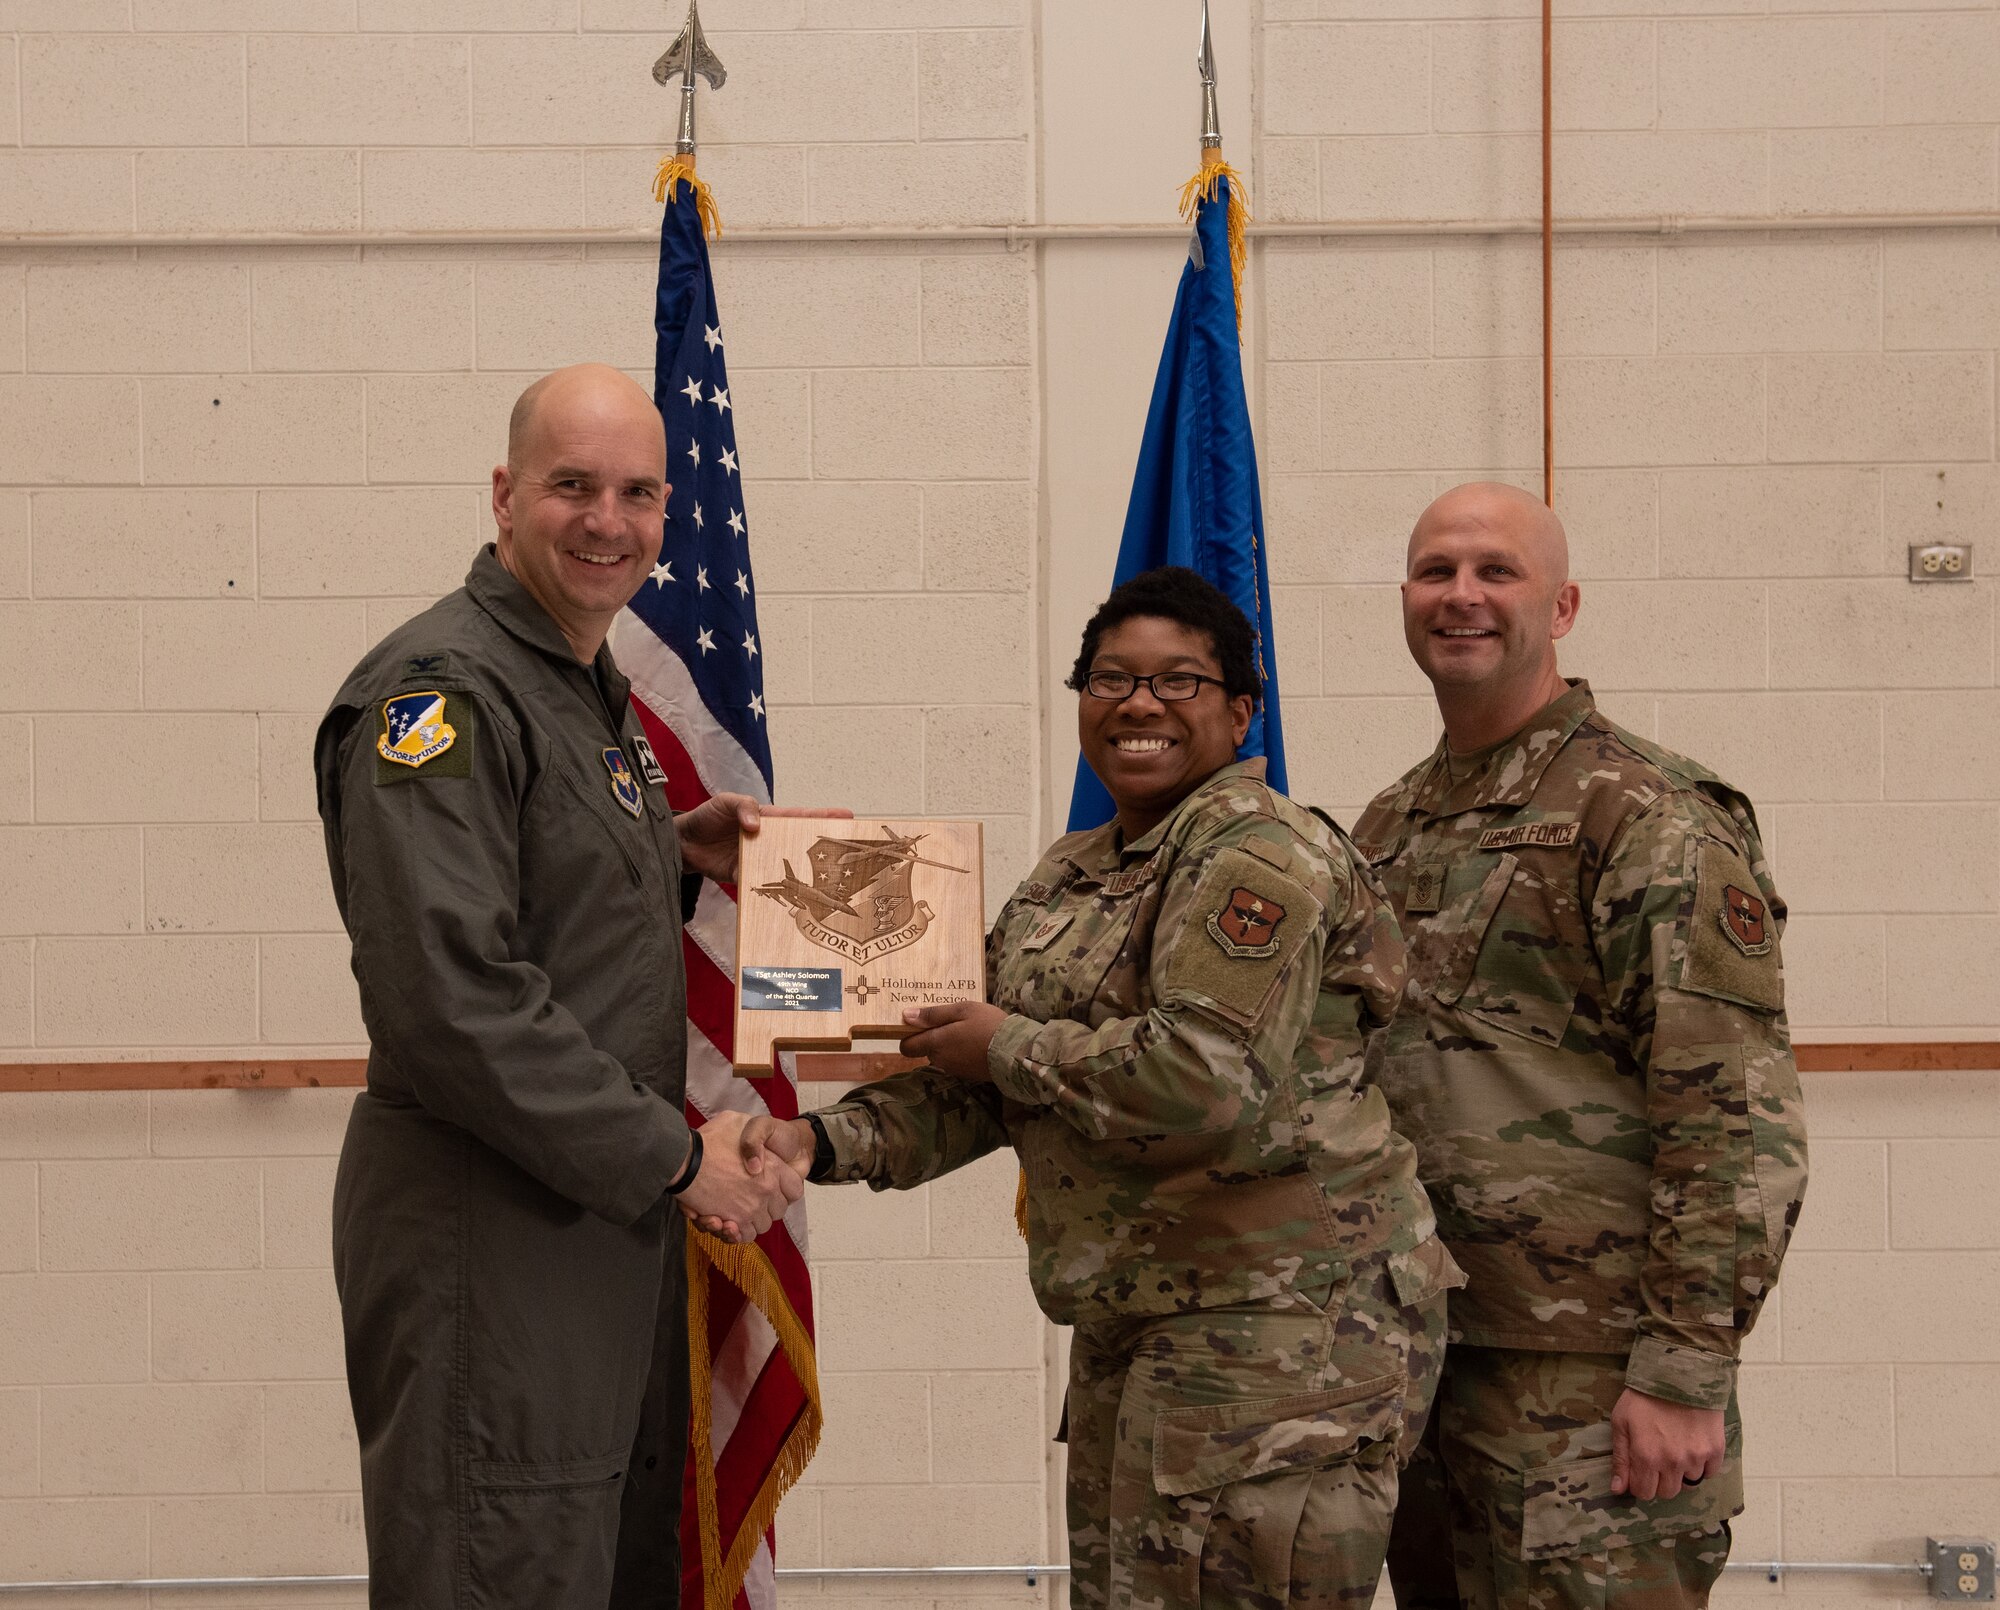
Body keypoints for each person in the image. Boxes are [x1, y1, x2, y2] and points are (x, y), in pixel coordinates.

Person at [746, 566, 1463, 1607]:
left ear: (1239, 710)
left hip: (1282, 1336)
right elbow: (982, 1076)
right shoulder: (1069, 874)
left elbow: (1200, 1077)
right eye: (1110, 677)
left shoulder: (1259, 850)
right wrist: (815, 1143)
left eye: (1177, 682)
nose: (1137, 703)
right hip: (1145, 1328)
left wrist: (1000, 1044)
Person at [313, 363, 806, 1610]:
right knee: (502, 1567)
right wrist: (680, 1156)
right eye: (571, 485)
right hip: (490, 1230)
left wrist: (668, 848)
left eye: (638, 492)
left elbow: (546, 904)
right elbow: (452, 999)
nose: (608, 521)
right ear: (503, 493)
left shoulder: (583, 693)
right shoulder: (445, 692)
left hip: (588, 1222)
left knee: (595, 1563)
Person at [1354, 483, 1809, 1610]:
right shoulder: (1390, 821)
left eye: (1494, 571)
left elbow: (1731, 1115)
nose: (1460, 594)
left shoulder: (1643, 812)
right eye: (1435, 570)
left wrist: (1681, 1370)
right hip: (1422, 1363)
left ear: (1559, 606)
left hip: (1588, 1387)